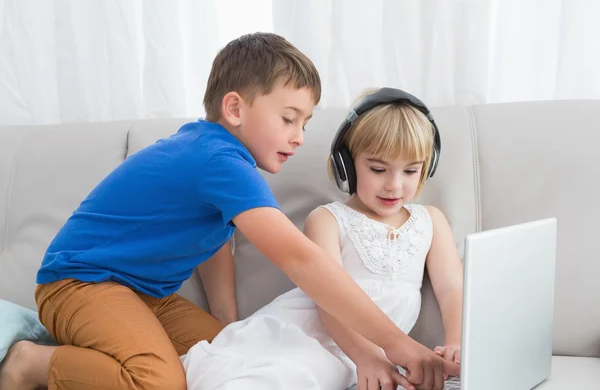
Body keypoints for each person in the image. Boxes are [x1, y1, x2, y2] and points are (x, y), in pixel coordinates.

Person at [0, 31, 457, 390]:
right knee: (162, 381)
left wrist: (226, 323)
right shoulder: (218, 160)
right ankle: (30, 363)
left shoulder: (219, 161)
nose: (299, 136)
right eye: (288, 118)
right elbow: (300, 258)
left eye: (306, 122)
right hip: (80, 284)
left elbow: (214, 245)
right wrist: (398, 344)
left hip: (144, 296)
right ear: (235, 108)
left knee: (226, 355)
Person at [181, 87, 464, 390]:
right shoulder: (327, 219)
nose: (394, 185)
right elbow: (327, 301)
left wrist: (457, 342)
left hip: (358, 360)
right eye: (378, 169)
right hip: (302, 337)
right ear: (348, 164)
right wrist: (366, 356)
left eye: (410, 170)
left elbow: (451, 289)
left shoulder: (430, 221)